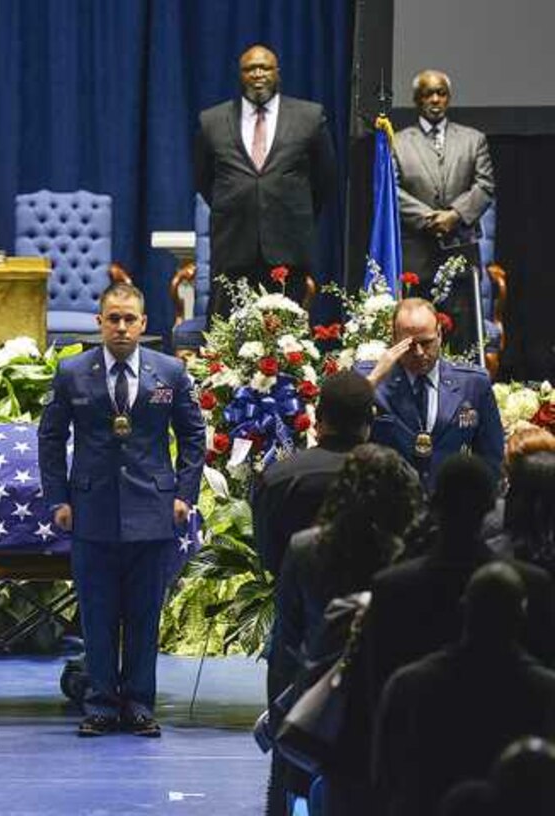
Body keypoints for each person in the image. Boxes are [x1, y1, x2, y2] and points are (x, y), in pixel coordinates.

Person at [38, 282, 205, 737]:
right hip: (91, 509)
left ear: (144, 323)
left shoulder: (169, 372)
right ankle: (100, 705)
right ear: (99, 323)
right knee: (96, 613)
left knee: (143, 615)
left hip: (153, 511)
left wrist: (184, 496)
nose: (122, 327)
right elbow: (50, 439)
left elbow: (193, 438)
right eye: (113, 318)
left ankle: (138, 705)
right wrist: (58, 499)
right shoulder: (72, 372)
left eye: (130, 319)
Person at [270, 444, 422, 816]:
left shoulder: (305, 548)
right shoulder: (410, 554)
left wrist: (283, 716)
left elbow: (286, 641)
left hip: (324, 690)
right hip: (388, 692)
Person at [366, 455, 555, 707]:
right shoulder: (533, 583)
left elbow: (372, 690)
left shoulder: (390, 586)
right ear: (490, 506)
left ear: (433, 504)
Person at [373, 562, 555, 816]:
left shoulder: (409, 684)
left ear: (464, 607)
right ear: (522, 614)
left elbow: (384, 779)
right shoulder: (546, 691)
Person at [194, 44, 336, 319]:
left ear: (278, 72)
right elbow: (204, 180)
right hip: (233, 246)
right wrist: (242, 201)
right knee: (228, 337)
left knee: (288, 340)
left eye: (265, 67)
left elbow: (324, 179)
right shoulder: (212, 120)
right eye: (250, 68)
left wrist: (289, 207)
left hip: (288, 247)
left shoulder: (309, 117)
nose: (258, 74)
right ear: (240, 74)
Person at [395, 70, 495, 354]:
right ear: (417, 99)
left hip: (459, 250)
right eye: (428, 93)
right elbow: (392, 190)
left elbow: (485, 186)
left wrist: (454, 215)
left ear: (449, 98)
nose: (435, 99)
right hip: (417, 253)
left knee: (462, 334)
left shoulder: (473, 140)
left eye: (441, 93)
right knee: (415, 331)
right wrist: (430, 219)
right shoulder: (398, 142)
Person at [360, 297, 503, 489]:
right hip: (389, 503)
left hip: (450, 503)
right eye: (409, 345)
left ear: (440, 334)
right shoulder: (369, 381)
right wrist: (374, 379)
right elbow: (340, 435)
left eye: (426, 343)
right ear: (394, 339)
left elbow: (491, 458)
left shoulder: (473, 384)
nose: (419, 352)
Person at [253, 370, 375, 577]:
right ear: (370, 420)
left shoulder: (278, 477)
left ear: (318, 418)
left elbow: (268, 556)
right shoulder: (396, 474)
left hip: (302, 602)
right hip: (377, 603)